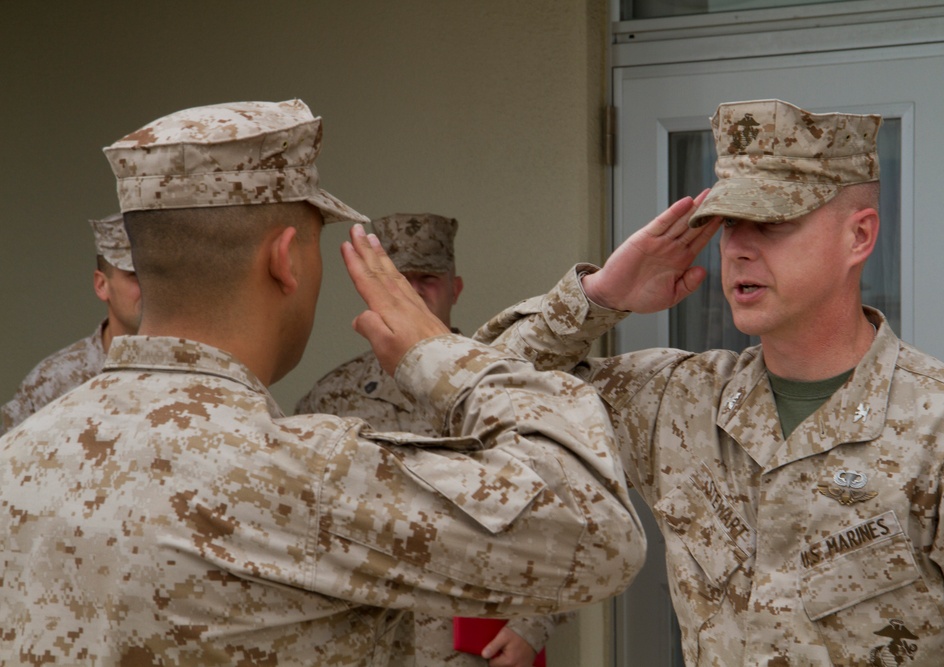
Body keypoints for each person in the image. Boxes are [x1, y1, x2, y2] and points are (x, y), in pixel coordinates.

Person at [0, 99, 645, 665]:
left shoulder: (18, 457)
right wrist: (441, 355)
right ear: (286, 258)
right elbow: (601, 535)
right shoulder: (301, 473)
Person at [475, 98, 944, 665]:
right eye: (728, 225)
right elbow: (476, 392)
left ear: (859, 237)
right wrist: (601, 296)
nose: (740, 249)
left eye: (772, 223)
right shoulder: (678, 403)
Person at [298, 213, 562, 667]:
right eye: (399, 279)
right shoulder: (330, 398)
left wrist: (531, 627)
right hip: (367, 645)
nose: (414, 291)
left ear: (455, 289)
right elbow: (298, 523)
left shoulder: (498, 389)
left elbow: (560, 510)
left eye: (428, 278)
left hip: (476, 649)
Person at [0, 212, 140, 434]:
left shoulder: (203, 369)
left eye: (161, 276)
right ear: (102, 285)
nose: (153, 288)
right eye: (136, 275)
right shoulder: (55, 381)